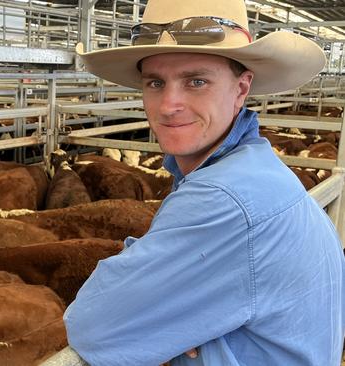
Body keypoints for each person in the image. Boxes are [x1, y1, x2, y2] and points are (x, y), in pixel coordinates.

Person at [64, 0, 345, 365]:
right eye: (155, 82)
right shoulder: (260, 172)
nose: (168, 105)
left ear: (242, 89)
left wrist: (162, 323)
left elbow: (93, 326)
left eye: (197, 81)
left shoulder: (224, 196)